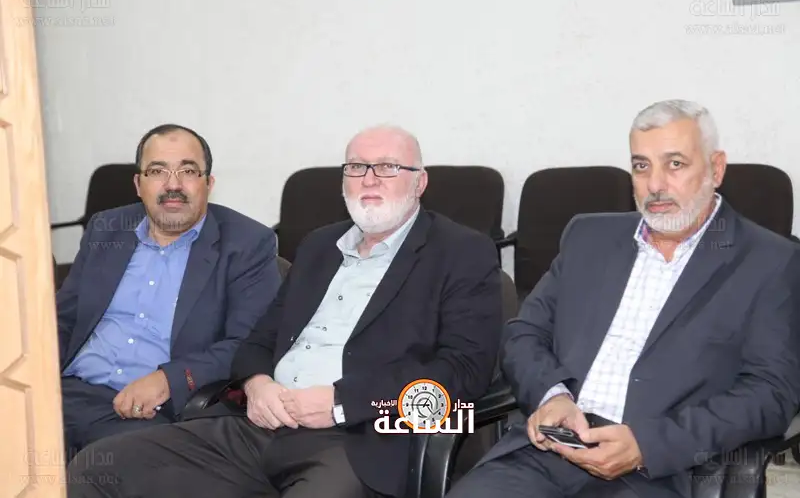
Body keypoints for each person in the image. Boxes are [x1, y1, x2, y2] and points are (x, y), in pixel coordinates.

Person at [66, 124, 504, 498]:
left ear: (419, 182)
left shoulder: (462, 253)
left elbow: (464, 372)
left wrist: (341, 404)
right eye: (356, 167)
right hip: (257, 425)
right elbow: (256, 341)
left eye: (388, 167)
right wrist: (256, 384)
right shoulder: (319, 247)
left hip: (358, 440)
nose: (369, 179)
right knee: (99, 469)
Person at [447, 100, 800, 498]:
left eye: (675, 164)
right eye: (641, 165)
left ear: (715, 169)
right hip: (547, 453)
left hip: (659, 471)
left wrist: (647, 444)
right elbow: (524, 332)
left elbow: (771, 393)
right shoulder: (589, 238)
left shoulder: (768, 261)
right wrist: (552, 395)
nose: (655, 185)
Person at [58, 124, 282, 460]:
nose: (173, 185)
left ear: (209, 183)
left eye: (188, 171)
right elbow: (64, 318)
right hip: (67, 393)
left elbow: (250, 343)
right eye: (157, 171)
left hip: (149, 413)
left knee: (100, 468)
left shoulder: (247, 244)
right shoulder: (106, 229)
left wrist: (168, 380)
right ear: (139, 184)